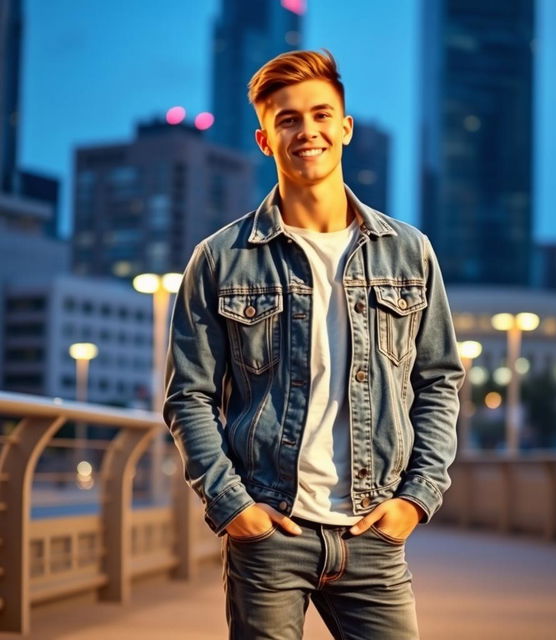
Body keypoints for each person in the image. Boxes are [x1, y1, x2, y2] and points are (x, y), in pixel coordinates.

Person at [163, 48, 465, 640]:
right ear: (264, 139)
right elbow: (188, 397)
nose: (308, 131)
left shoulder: (408, 252)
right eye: (288, 119)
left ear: (345, 128)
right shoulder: (221, 259)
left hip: (374, 534)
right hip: (271, 534)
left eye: (322, 115)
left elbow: (439, 382)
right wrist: (236, 509)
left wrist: (415, 499)